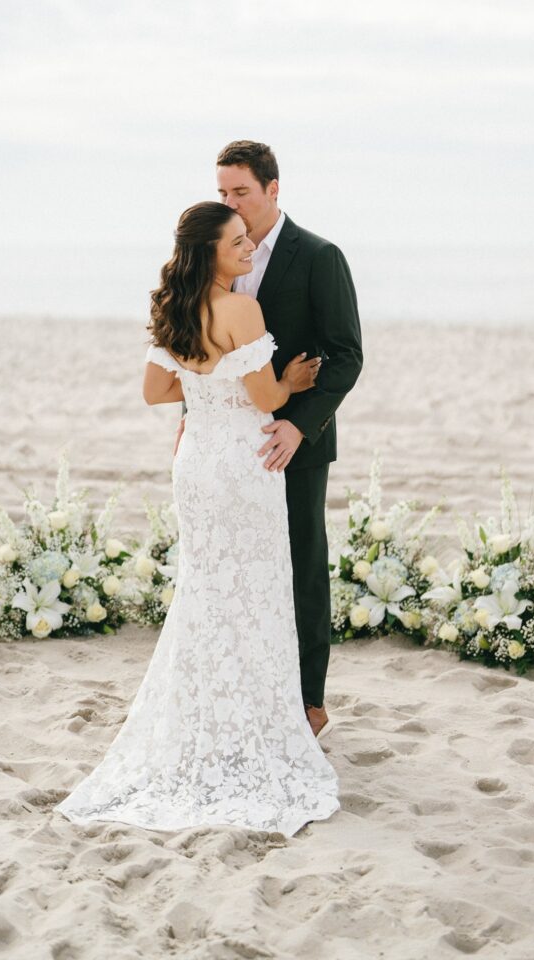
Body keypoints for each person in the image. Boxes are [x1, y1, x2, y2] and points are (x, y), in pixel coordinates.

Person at [54, 201, 341, 836]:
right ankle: (254, 727)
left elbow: (156, 391)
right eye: (236, 241)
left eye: (247, 237)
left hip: (196, 462)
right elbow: (266, 397)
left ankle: (201, 720)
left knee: (206, 590)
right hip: (242, 463)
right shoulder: (241, 309)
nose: (246, 247)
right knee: (255, 591)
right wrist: (289, 381)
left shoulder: (173, 309)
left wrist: (208, 385)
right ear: (209, 252)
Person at [176, 141, 363, 738]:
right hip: (224, 447)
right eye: (223, 192)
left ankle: (309, 702)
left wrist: (299, 423)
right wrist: (195, 411)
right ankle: (244, 689)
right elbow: (197, 344)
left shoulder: (319, 256)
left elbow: (346, 357)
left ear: (273, 189)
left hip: (291, 443)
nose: (231, 201)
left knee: (301, 566)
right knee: (237, 570)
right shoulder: (211, 257)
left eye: (242, 192)